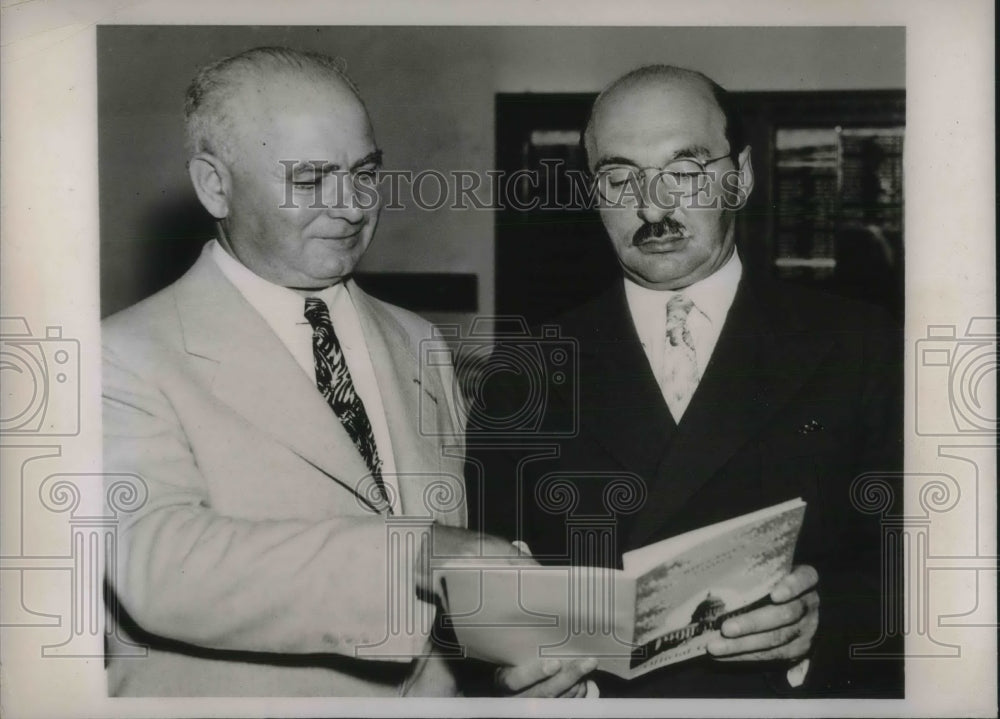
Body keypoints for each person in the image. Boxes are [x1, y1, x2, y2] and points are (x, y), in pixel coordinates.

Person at [102, 46, 595, 698]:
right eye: (309, 179)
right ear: (214, 184)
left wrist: (517, 665)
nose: (351, 205)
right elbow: (160, 566)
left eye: (365, 173)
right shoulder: (122, 354)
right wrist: (419, 552)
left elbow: (445, 611)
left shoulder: (418, 340)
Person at [468, 65, 902, 697]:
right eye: (619, 177)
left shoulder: (860, 345)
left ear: (742, 177)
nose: (652, 205)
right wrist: (524, 677)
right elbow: (487, 589)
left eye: (686, 171)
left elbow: (913, 566)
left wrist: (821, 622)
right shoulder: (525, 371)